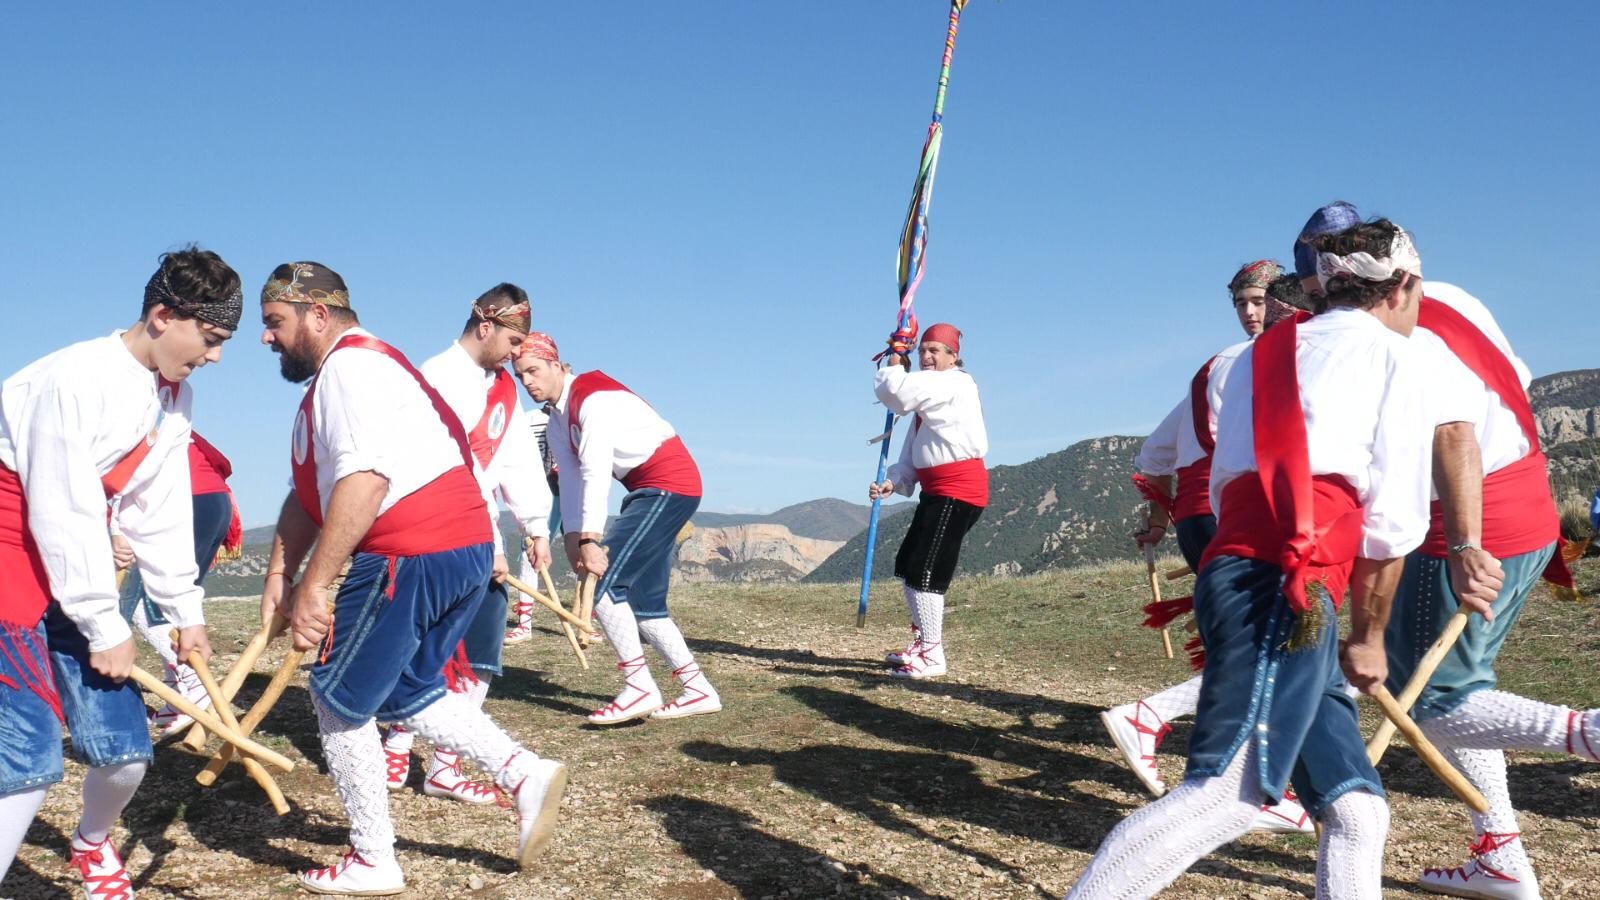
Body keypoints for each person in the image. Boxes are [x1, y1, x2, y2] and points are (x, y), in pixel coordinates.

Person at [1067, 219, 1433, 899]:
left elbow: (1223, 483)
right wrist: (1369, 637)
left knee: (1356, 810)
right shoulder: (1394, 357)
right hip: (1287, 586)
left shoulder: (1255, 356)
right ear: (1402, 286)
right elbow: (1394, 525)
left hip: (1238, 568)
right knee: (1226, 794)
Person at [258, 262, 566, 894]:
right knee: (406, 687)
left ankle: (374, 858)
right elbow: (307, 494)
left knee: (337, 697)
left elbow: (365, 481)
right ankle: (523, 774)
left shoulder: (350, 369)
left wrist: (315, 586)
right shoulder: (363, 368)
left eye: (275, 322)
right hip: (462, 547)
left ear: (318, 315)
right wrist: (281, 574)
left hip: (413, 549)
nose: (266, 337)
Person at [0, 247, 240, 898]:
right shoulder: (73, 378)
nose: (216, 356)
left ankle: (90, 842)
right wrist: (105, 625)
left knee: (126, 749)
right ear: (164, 316)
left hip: (68, 558)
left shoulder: (174, 395)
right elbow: (63, 508)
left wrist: (185, 613)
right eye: (210, 337)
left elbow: (157, 509)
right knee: (25, 761)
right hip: (11, 559)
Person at [1387, 279, 1599, 898]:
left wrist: (1462, 543)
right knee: (1459, 690)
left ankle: (1589, 734)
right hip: (1524, 508)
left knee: (1434, 702)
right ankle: (1499, 853)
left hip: (1468, 523)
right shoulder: (1450, 296)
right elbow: (1516, 380)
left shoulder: (1396, 334)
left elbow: (1454, 435)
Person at [1105, 262, 1314, 834]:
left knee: (1262, 646)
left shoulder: (1215, 365)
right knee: (1274, 648)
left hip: (1202, 518)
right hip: (1240, 512)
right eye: (1243, 303)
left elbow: (1155, 453)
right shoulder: (1263, 359)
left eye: (1258, 302)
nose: (1252, 312)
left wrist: (1159, 517)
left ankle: (1259, 781)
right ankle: (1160, 719)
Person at [382, 284, 553, 804]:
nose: (518, 353)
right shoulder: (437, 376)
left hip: (477, 534)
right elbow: (454, 466)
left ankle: (443, 765)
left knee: (479, 651)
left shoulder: (501, 387)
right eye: (513, 340)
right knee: (429, 648)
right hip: (435, 531)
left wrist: (536, 526)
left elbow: (515, 457)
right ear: (485, 326)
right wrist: (489, 541)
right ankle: (397, 742)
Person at [513, 333, 719, 724]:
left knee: (605, 583)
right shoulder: (557, 419)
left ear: (557, 365)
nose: (527, 382)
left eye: (533, 371)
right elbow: (570, 478)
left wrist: (590, 539)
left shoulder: (593, 399)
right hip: (648, 490)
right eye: (520, 375)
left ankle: (639, 686)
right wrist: (571, 538)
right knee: (645, 605)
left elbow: (595, 472)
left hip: (668, 485)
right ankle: (698, 689)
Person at [870, 322, 989, 680]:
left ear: (953, 357)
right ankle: (924, 643)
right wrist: (894, 480)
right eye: (922, 350)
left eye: (934, 350)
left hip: (959, 490)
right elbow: (914, 453)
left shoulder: (955, 383)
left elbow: (896, 393)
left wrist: (897, 355)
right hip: (936, 491)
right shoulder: (932, 395)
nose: (926, 356)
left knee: (926, 572)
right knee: (909, 566)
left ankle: (934, 655)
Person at [117, 430, 244, 736]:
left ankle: (194, 684)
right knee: (171, 598)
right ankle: (179, 692)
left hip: (185, 502)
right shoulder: (168, 420)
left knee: (148, 599)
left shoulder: (130, 420)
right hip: (214, 501)